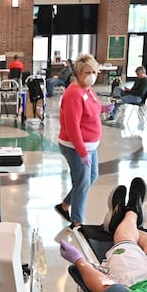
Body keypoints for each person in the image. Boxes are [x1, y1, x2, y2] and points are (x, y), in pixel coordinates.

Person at [55, 54, 114, 228]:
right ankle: (77, 221)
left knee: (91, 177)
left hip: (90, 145)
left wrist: (102, 108)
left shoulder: (87, 89)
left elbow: (92, 107)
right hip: (75, 146)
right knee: (82, 183)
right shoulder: (74, 93)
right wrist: (81, 151)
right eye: (88, 72)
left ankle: (65, 205)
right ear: (79, 73)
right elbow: (72, 126)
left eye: (94, 71)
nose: (92, 75)